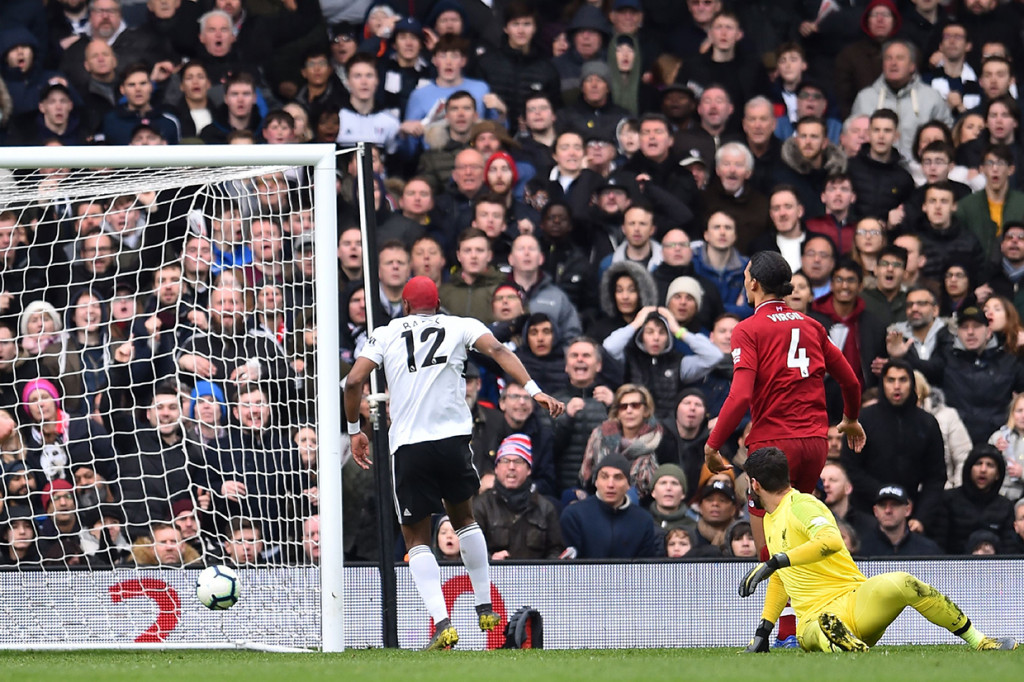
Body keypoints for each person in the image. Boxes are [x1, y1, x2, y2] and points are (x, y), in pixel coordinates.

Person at [344, 276, 564, 651]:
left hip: (410, 446)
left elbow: (353, 381)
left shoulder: (387, 332)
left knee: (416, 539)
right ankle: (484, 605)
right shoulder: (460, 324)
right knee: (464, 519)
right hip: (453, 442)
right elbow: (497, 349)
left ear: (407, 307)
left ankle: (443, 622)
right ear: (439, 303)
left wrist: (354, 429)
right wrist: (535, 390)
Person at [705, 250, 865, 646]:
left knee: (770, 547)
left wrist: (712, 445)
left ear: (754, 283)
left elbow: (740, 396)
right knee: (799, 542)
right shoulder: (812, 325)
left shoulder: (748, 329)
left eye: (746, 277)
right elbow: (851, 382)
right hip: (814, 443)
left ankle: (785, 631)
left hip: (773, 445)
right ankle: (791, 629)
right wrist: (849, 419)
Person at [737, 446, 1016, 653]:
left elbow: (831, 542)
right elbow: (781, 577)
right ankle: (849, 648)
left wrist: (775, 562)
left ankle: (980, 641)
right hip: (812, 618)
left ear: (755, 484)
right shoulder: (771, 520)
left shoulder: (802, 505)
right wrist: (764, 631)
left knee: (904, 582)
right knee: (820, 627)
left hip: (855, 599)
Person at [471, 433, 564, 560]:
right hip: (493, 577)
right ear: (496, 468)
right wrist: (491, 560)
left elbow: (555, 549)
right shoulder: (481, 505)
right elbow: (470, 548)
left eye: (518, 461)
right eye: (505, 461)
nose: (511, 467)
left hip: (535, 578)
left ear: (529, 469)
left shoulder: (545, 508)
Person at [559, 452, 662, 559]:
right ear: (596, 482)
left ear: (628, 485)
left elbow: (645, 569)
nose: (610, 484)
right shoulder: (574, 515)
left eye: (618, 477)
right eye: (604, 477)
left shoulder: (643, 521)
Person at [857, 484, 945, 557]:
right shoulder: (860, 549)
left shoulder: (928, 550)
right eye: (883, 505)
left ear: (908, 510)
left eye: (894, 505)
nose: (888, 510)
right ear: (875, 511)